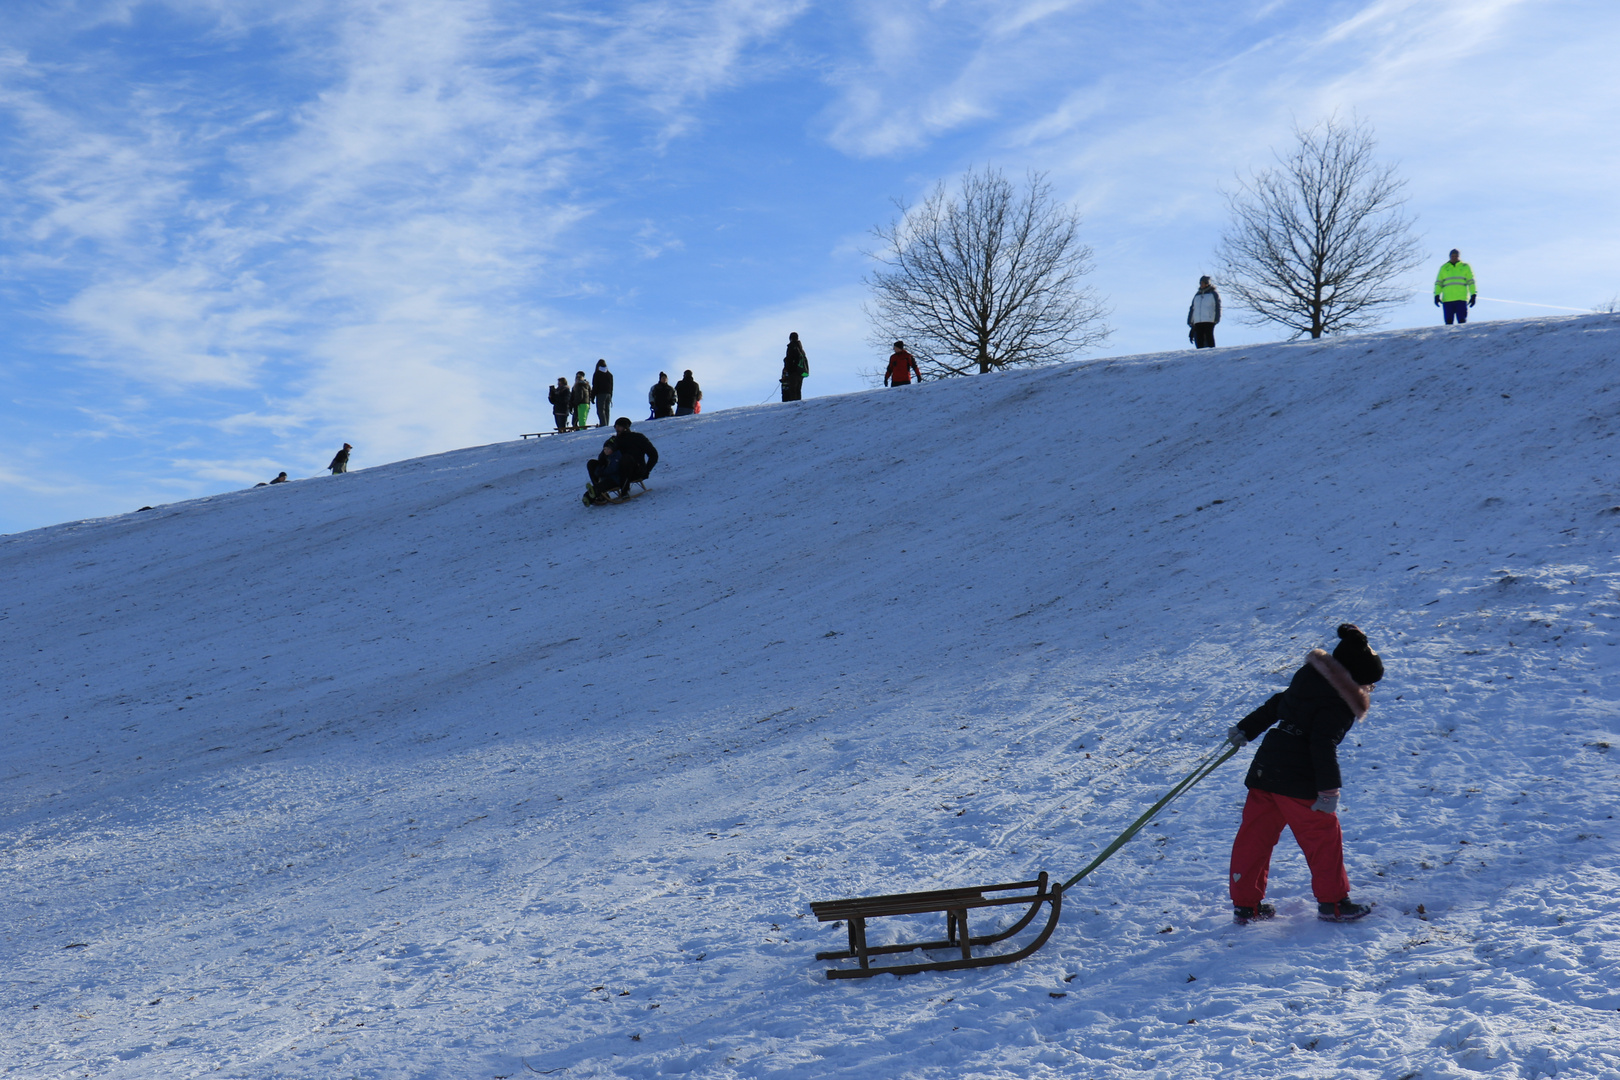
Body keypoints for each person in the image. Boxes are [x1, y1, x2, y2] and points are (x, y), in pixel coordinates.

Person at [1224, 624, 1385, 924]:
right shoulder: (1340, 701)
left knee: (1254, 836)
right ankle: (1334, 903)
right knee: (1322, 837)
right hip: (1297, 776)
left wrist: (1246, 729)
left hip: (1267, 764)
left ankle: (1247, 905)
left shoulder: (1308, 678)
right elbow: (1322, 743)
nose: (1368, 691)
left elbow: (1277, 704)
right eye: (1368, 684)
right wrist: (1328, 791)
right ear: (1354, 678)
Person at [1434, 249, 1476, 325]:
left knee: (1462, 321)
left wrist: (1473, 294)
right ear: (1450, 256)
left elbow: (1471, 282)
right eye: (1452, 256)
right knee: (1448, 322)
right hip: (1447, 299)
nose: (1454, 258)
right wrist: (1436, 295)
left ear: (1459, 256)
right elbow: (1439, 283)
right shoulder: (1444, 268)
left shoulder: (1465, 267)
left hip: (1461, 298)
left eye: (1456, 256)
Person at [1187, 275, 1221, 349]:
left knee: (1209, 337)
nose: (1201, 285)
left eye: (1203, 283)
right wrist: (1190, 320)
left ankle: (1212, 352)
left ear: (1207, 283)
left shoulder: (1213, 294)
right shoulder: (1197, 295)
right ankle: (1200, 355)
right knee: (1199, 338)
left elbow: (1217, 306)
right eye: (1200, 283)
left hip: (1209, 320)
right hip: (1198, 321)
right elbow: (1193, 308)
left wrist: (1217, 318)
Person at [781, 332, 809, 402]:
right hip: (801, 372)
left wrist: (786, 366)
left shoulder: (792, 346)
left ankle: (793, 405)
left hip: (793, 371)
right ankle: (798, 404)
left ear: (790, 338)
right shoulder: (801, 348)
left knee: (792, 389)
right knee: (798, 389)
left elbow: (790, 359)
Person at [592, 360, 614, 427]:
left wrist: (592, 396)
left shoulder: (597, 373)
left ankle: (603, 425)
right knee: (607, 410)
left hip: (601, 393)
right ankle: (606, 424)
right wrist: (611, 395)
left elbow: (595, 386)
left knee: (600, 410)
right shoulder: (610, 374)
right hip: (608, 394)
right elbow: (611, 386)